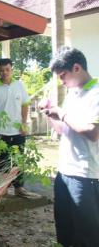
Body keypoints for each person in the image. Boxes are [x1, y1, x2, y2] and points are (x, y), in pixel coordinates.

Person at [40, 47, 99, 246]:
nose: (60, 80)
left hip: (85, 176)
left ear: (76, 68)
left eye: (62, 75)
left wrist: (62, 113)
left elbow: (93, 132)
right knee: (65, 230)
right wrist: (49, 114)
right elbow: (65, 130)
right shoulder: (73, 93)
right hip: (64, 173)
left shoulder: (96, 93)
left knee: (86, 236)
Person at [0, 58, 40, 198]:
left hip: (17, 130)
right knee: (3, 161)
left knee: (18, 160)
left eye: (7, 70)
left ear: (12, 70)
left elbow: (25, 104)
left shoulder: (20, 85)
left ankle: (19, 188)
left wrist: (24, 123)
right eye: (2, 70)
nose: (4, 73)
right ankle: (3, 188)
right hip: (0, 131)